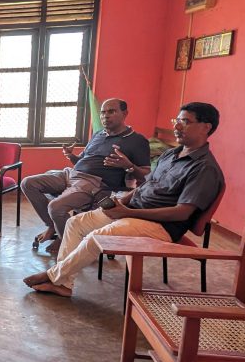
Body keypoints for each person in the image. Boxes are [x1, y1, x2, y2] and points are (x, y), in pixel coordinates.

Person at [23, 102, 224, 297]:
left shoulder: (204, 168)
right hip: (132, 211)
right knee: (76, 223)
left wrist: (128, 211)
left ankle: (53, 276)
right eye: (177, 120)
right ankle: (63, 285)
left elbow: (182, 212)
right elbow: (145, 186)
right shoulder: (171, 154)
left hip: (160, 225)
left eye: (186, 122)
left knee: (98, 236)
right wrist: (122, 203)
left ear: (206, 127)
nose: (177, 126)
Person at [21, 98, 151, 254]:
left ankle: (66, 242)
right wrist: (71, 156)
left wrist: (128, 166)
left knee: (55, 207)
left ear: (125, 114)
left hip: (93, 183)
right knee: (28, 183)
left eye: (111, 111)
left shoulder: (137, 140)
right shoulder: (98, 135)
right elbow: (82, 160)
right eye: (103, 112)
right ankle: (52, 226)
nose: (105, 116)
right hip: (70, 173)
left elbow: (146, 173)